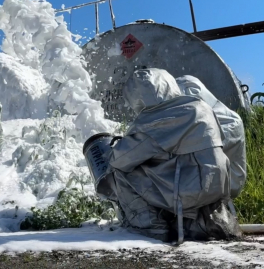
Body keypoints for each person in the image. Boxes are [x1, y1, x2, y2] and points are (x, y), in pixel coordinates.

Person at [98, 68, 241, 243]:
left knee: (118, 172)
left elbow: (120, 159)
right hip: (217, 186)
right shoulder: (200, 106)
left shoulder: (154, 121)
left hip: (189, 190)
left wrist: (117, 146)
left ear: (136, 98)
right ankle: (197, 221)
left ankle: (151, 225)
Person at [176, 75, 246, 199]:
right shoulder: (219, 116)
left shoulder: (229, 120)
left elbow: (204, 145)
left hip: (223, 186)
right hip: (212, 184)